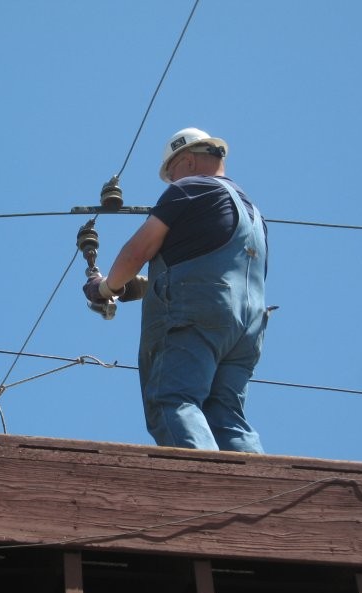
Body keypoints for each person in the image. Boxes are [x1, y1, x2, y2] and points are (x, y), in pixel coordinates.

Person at [84, 127, 268, 453]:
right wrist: (143, 286)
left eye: (171, 173)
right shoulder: (253, 213)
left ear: (188, 161)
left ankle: (204, 486)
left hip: (198, 316)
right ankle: (258, 493)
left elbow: (137, 251)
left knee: (172, 399)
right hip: (247, 328)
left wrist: (107, 286)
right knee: (226, 414)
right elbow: (208, 259)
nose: (171, 181)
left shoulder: (190, 187)